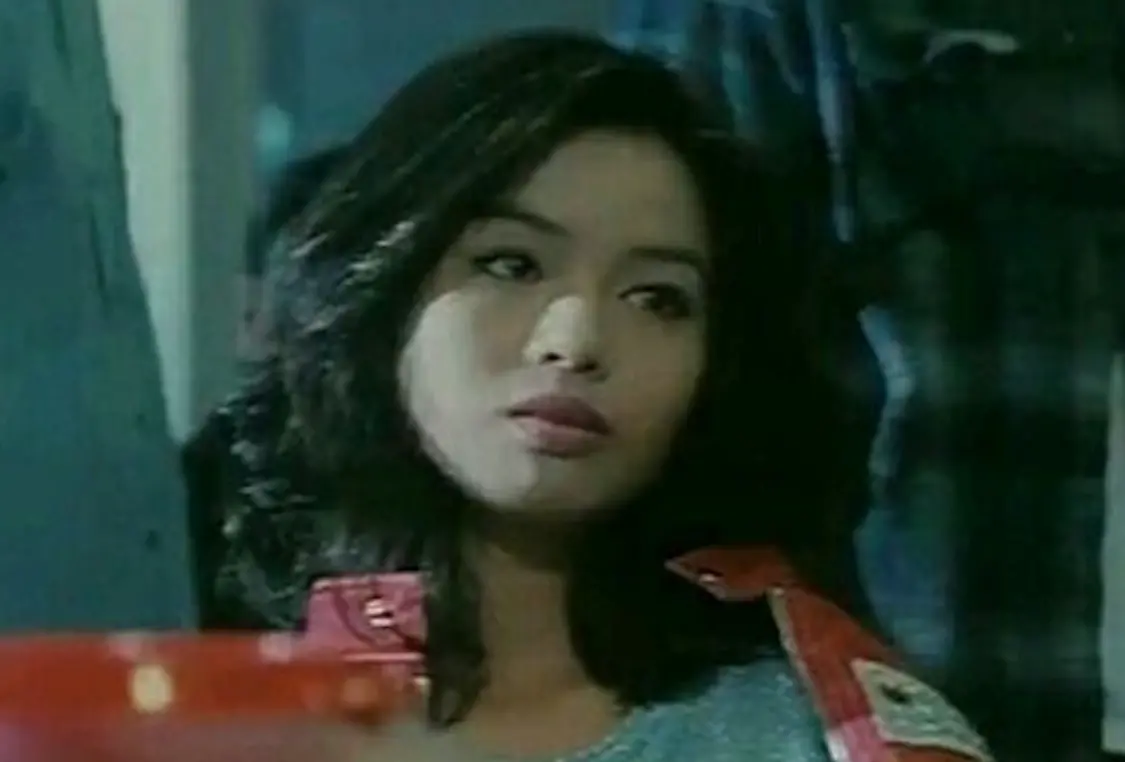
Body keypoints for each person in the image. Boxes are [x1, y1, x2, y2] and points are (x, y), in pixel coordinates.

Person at [194, 30, 912, 761]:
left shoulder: (811, 737)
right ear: (386, 283)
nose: (574, 340)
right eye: (511, 264)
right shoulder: (187, 681)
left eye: (656, 298)